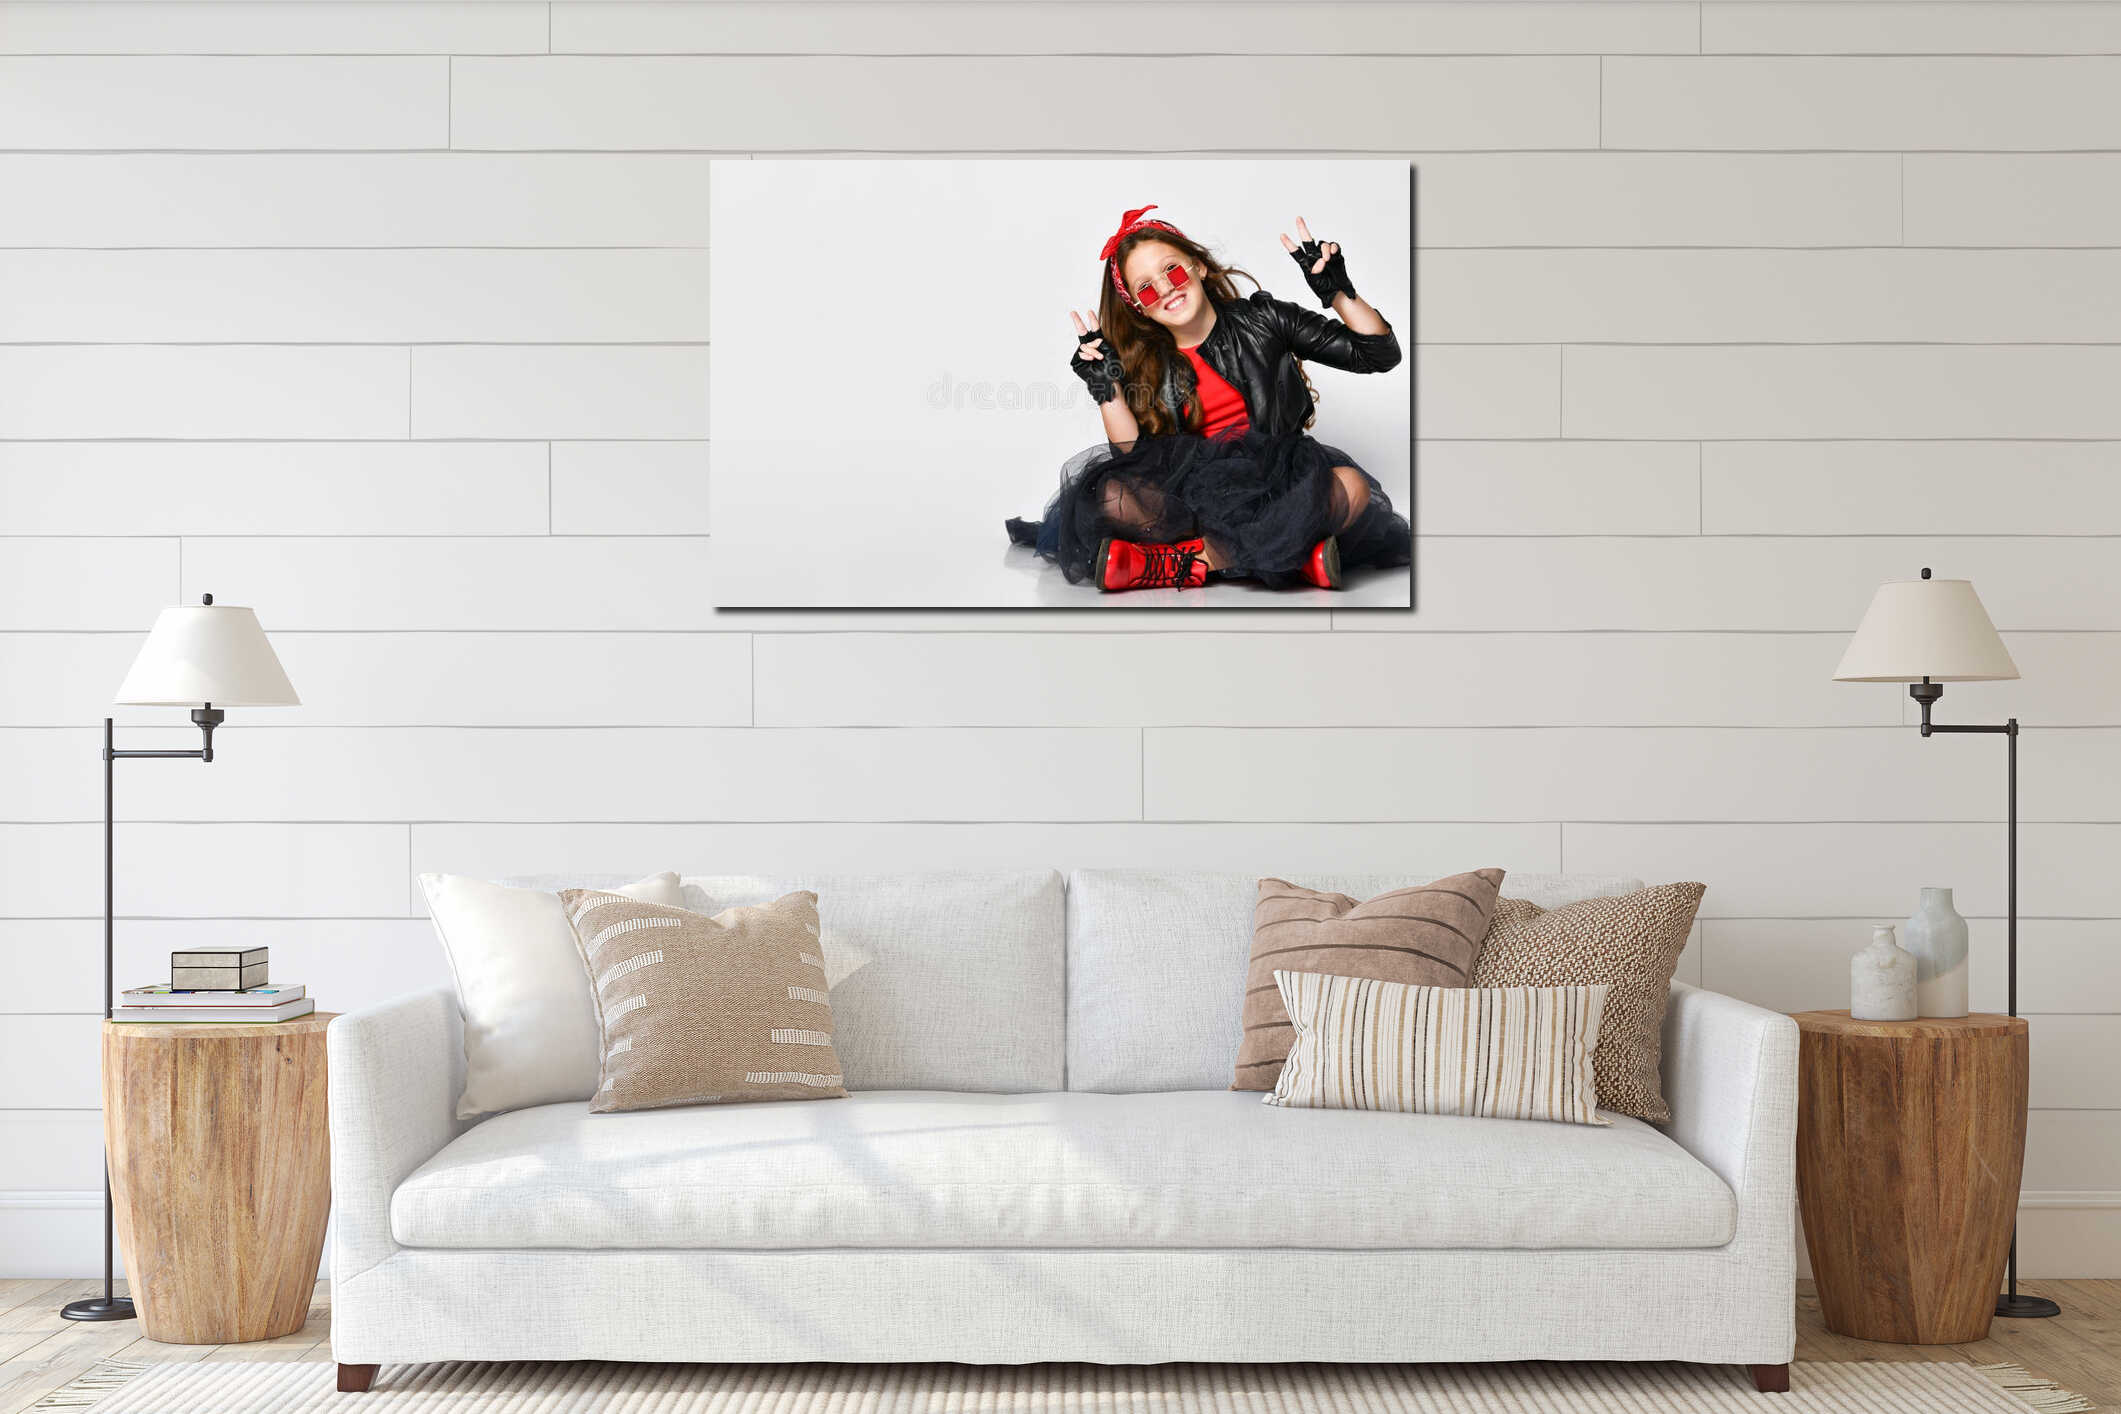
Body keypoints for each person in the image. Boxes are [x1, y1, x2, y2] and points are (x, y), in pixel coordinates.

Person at [1005, 205, 1410, 592]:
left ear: (1198, 266)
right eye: (1146, 288)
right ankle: (1291, 557)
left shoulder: (1264, 320)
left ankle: (1182, 563)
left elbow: (1379, 355)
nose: (1165, 288)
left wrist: (1338, 293)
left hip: (1279, 480)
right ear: (1139, 308)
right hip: (1194, 496)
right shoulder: (1143, 362)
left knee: (1350, 487)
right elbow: (1130, 454)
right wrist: (1105, 388)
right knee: (1113, 494)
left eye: (1171, 270)